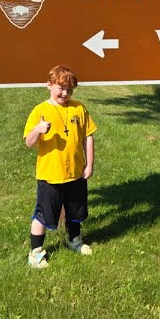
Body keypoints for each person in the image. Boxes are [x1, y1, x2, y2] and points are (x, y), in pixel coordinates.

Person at [22, 64, 97, 268]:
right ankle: (36, 252)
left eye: (70, 90)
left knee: (76, 211)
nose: (65, 93)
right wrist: (38, 129)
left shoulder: (78, 108)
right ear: (49, 85)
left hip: (75, 172)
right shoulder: (40, 110)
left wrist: (89, 164)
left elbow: (88, 137)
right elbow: (29, 142)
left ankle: (75, 240)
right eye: (61, 88)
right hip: (50, 175)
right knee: (44, 215)